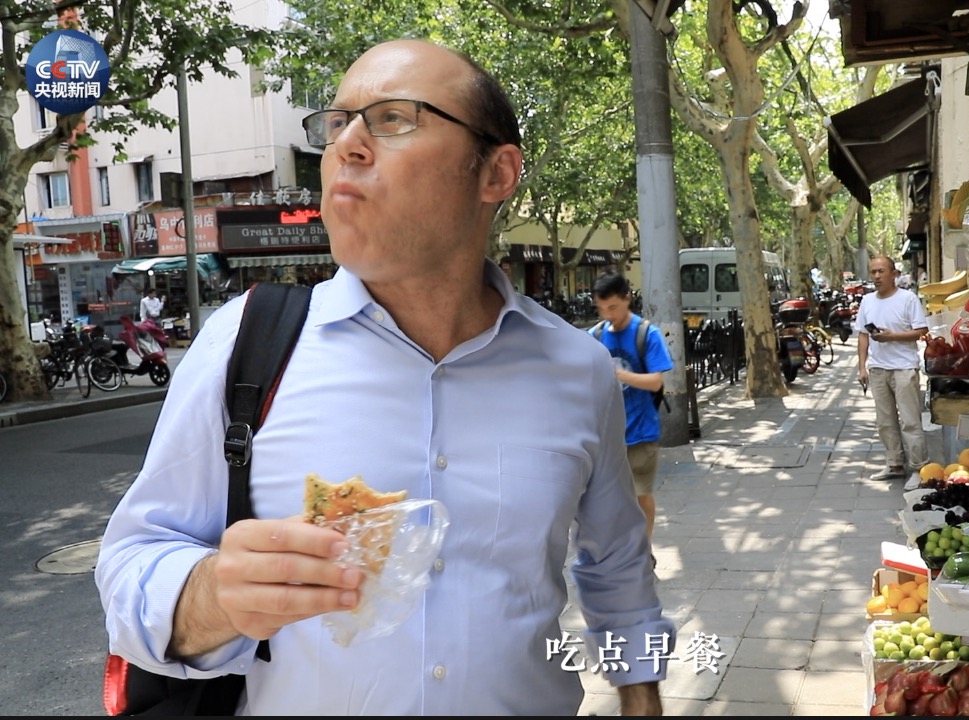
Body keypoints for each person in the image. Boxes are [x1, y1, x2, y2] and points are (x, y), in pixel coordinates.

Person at [96, 39, 670, 716]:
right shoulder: (245, 343)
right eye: (338, 123)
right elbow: (132, 565)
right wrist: (216, 594)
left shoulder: (578, 369)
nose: (347, 145)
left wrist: (642, 700)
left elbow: (617, 566)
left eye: (394, 118)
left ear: (496, 172)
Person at [590, 273, 674, 562]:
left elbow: (656, 382)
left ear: (627, 298)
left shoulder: (646, 334)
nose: (607, 314)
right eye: (602, 308)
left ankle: (643, 550)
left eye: (613, 307)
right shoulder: (595, 336)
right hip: (606, 436)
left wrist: (619, 375)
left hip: (640, 431)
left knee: (640, 496)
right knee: (608, 500)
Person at [855, 256, 930, 487]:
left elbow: (922, 331)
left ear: (894, 274)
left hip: (904, 368)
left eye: (881, 271)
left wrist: (892, 337)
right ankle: (895, 463)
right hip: (878, 369)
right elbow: (863, 335)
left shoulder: (908, 299)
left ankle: (919, 468)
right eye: (873, 272)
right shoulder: (867, 301)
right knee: (885, 422)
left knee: (910, 421)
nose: (877, 276)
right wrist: (862, 367)